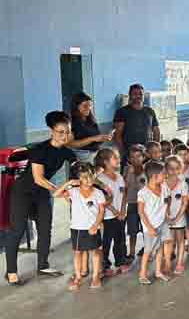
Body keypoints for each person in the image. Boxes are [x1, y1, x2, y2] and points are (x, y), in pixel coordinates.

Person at [5, 111, 78, 284]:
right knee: (17, 230)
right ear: (51, 131)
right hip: (23, 191)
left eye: (67, 132)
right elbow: (39, 178)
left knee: (45, 228)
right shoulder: (39, 149)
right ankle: (11, 271)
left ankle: (43, 265)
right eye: (60, 132)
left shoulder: (67, 152)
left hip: (41, 193)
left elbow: (78, 171)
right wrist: (61, 191)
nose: (64, 135)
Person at [54, 162, 106, 290]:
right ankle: (77, 277)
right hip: (77, 228)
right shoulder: (73, 191)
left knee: (95, 252)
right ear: (79, 178)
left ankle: (95, 277)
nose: (88, 180)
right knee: (77, 252)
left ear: (94, 176)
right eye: (84, 177)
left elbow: (101, 211)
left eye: (90, 177)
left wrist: (96, 225)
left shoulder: (98, 193)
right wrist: (69, 183)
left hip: (92, 228)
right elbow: (55, 194)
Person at [95, 148, 130, 276]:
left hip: (120, 215)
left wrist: (122, 210)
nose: (118, 160)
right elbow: (103, 199)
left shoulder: (119, 176)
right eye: (115, 158)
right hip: (107, 217)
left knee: (120, 240)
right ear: (105, 162)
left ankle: (120, 262)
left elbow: (123, 194)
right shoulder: (100, 179)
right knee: (106, 242)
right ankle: (105, 266)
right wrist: (115, 211)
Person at [137, 160, 169, 285]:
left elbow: (166, 201)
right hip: (150, 227)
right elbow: (141, 212)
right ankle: (142, 274)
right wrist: (149, 228)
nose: (165, 176)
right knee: (148, 251)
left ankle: (158, 271)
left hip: (161, 223)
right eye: (163, 174)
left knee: (160, 248)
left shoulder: (164, 187)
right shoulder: (143, 193)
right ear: (154, 177)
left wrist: (166, 216)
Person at [113, 83, 160, 160]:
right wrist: (124, 154)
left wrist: (155, 150)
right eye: (135, 94)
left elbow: (156, 131)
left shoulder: (150, 111)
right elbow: (117, 135)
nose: (138, 96)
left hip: (147, 153)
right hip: (131, 154)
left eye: (140, 94)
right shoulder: (121, 112)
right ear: (130, 95)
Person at [162, 155, 189, 276]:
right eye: (171, 168)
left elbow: (184, 203)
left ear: (181, 169)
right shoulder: (162, 184)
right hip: (165, 217)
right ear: (166, 169)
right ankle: (167, 262)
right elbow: (162, 203)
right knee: (168, 241)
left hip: (179, 217)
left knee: (180, 240)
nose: (174, 171)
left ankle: (179, 263)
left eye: (177, 168)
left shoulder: (183, 184)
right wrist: (167, 217)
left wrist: (177, 218)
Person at [67, 92, 111, 163]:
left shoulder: (90, 119)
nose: (88, 108)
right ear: (76, 106)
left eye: (90, 105)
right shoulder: (71, 122)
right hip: (83, 156)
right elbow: (71, 144)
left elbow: (95, 140)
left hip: (95, 154)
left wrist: (103, 138)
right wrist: (92, 139)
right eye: (85, 105)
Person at [124, 144, 146, 260]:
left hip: (145, 204)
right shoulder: (127, 169)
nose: (135, 159)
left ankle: (146, 248)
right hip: (132, 203)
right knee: (132, 230)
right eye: (132, 157)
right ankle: (131, 252)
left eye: (138, 156)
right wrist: (129, 173)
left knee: (144, 228)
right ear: (129, 159)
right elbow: (124, 186)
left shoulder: (147, 169)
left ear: (143, 157)